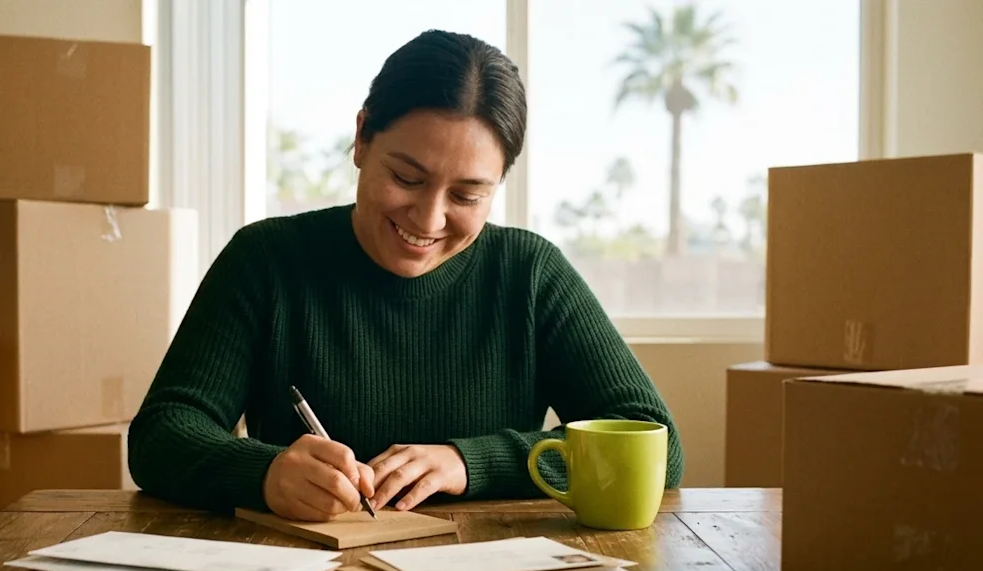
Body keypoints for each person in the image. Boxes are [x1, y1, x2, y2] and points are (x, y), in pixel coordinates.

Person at [128, 29, 683, 521]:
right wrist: (264, 473)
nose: (429, 219)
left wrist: (472, 462)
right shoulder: (266, 259)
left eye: (467, 194)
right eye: (406, 177)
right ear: (363, 137)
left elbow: (657, 444)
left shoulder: (530, 273)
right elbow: (161, 434)